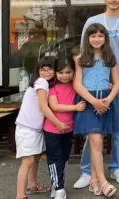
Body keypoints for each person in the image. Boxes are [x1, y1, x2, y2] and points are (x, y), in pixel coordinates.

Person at [74, 0, 119, 189]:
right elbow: (84, 49)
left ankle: (117, 166)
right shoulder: (93, 22)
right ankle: (87, 170)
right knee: (92, 129)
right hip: (93, 86)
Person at [73, 23, 119, 197]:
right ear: (87, 38)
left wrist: (108, 100)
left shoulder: (110, 57)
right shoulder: (80, 59)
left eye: (100, 36)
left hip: (105, 101)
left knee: (97, 142)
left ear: (105, 38)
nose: (96, 39)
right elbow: (77, 84)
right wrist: (94, 102)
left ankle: (93, 180)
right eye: (93, 36)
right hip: (89, 102)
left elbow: (116, 82)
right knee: (96, 141)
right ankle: (103, 181)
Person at [15, 56, 62, 199]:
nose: (46, 72)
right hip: (27, 129)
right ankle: (20, 195)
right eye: (43, 69)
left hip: (33, 128)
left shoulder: (42, 83)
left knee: (35, 158)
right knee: (27, 161)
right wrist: (57, 122)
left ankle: (32, 185)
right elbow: (43, 106)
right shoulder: (41, 82)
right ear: (38, 71)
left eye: (50, 69)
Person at [44, 55, 86, 199]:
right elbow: (54, 106)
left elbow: (86, 84)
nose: (64, 76)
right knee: (54, 159)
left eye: (68, 72)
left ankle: (57, 184)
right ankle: (59, 188)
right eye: (61, 72)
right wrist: (75, 107)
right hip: (52, 129)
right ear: (55, 72)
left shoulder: (76, 85)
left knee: (64, 158)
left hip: (68, 129)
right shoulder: (52, 87)